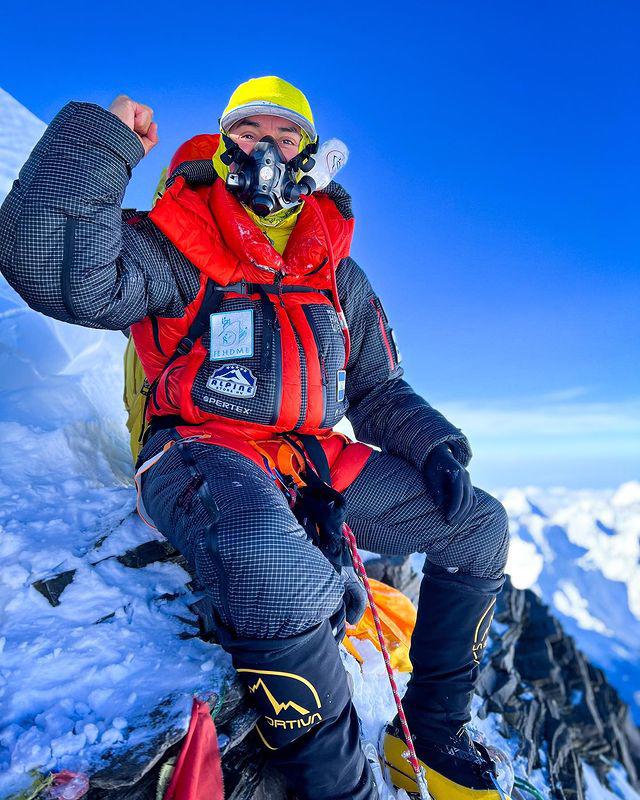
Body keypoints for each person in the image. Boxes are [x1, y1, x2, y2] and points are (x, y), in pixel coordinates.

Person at [0, 76, 510, 800]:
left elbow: (377, 389)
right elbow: (51, 268)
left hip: (305, 458)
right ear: (222, 142)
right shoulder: (176, 237)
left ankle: (432, 733)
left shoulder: (337, 269)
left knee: (480, 526)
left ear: (310, 154)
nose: (266, 147)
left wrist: (434, 446)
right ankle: (339, 787)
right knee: (283, 570)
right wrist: (102, 139)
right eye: (248, 131)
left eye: (285, 134)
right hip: (197, 449)